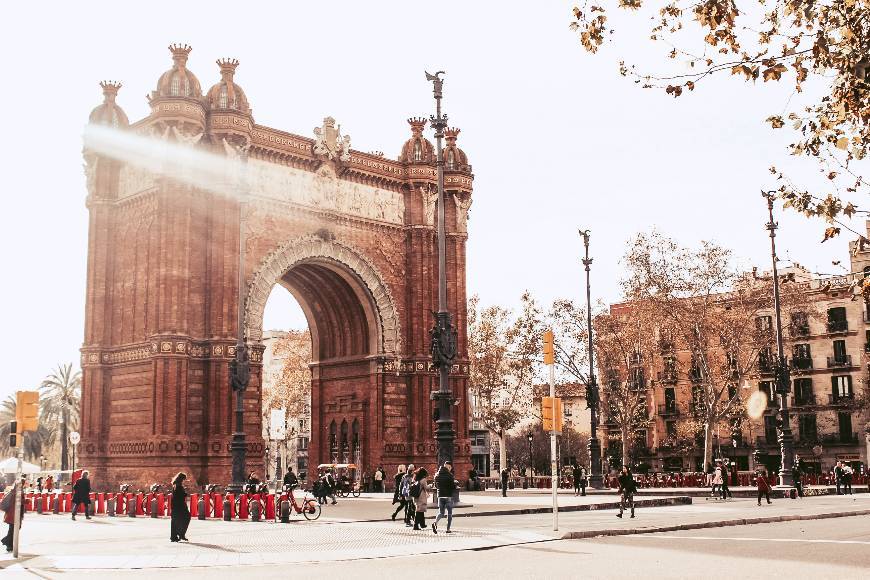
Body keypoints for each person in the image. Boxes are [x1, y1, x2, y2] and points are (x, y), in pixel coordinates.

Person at [1, 476, 25, 553]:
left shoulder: (15, 491)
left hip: (12, 514)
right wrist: (25, 501)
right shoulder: (16, 492)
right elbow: (17, 502)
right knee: (13, 530)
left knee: (12, 530)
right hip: (14, 514)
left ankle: (9, 545)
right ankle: (7, 542)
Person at [432, 461, 456, 534]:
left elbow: (436, 486)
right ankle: (448, 529)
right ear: (448, 467)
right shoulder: (450, 475)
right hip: (448, 496)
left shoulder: (437, 475)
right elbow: (452, 486)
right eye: (450, 467)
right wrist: (455, 484)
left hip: (440, 496)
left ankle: (435, 522)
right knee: (449, 513)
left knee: (441, 512)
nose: (450, 469)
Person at [170, 472, 190, 542]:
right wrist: (185, 493)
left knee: (175, 520)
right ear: (182, 479)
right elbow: (180, 495)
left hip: (175, 505)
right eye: (184, 479)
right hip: (180, 505)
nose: (184, 481)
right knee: (187, 517)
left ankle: (174, 536)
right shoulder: (178, 486)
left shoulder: (175, 484)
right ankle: (181, 534)